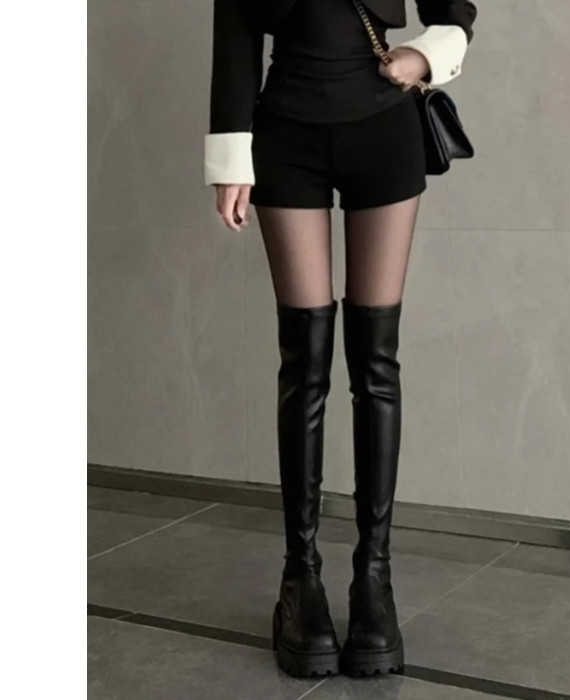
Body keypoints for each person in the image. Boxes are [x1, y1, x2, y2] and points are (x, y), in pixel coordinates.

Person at [204, 0, 477, 679]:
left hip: (383, 129)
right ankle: (302, 580)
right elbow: (235, 28)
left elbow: (454, 8)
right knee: (304, 363)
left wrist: (426, 54)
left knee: (376, 363)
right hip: (285, 135)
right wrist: (230, 153)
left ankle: (372, 583)